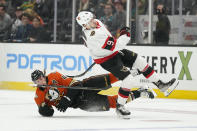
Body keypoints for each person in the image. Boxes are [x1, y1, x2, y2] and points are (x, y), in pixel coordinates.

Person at [76, 11, 179, 118]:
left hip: (112, 52)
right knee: (128, 80)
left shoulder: (95, 23)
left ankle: (160, 85)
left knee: (140, 61)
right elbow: (118, 45)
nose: (93, 20)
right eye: (90, 21)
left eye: (92, 18)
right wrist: (125, 34)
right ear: (85, 25)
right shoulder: (93, 36)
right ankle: (120, 107)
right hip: (107, 59)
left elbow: (107, 36)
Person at [31, 70, 155, 117]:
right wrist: (44, 111)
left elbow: (77, 85)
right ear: (35, 82)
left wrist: (67, 99)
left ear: (44, 75)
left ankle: (134, 71)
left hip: (84, 86)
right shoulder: (38, 96)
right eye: (37, 81)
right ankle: (141, 92)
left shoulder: (54, 76)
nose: (41, 81)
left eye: (41, 78)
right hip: (83, 103)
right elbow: (47, 111)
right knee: (114, 102)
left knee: (110, 78)